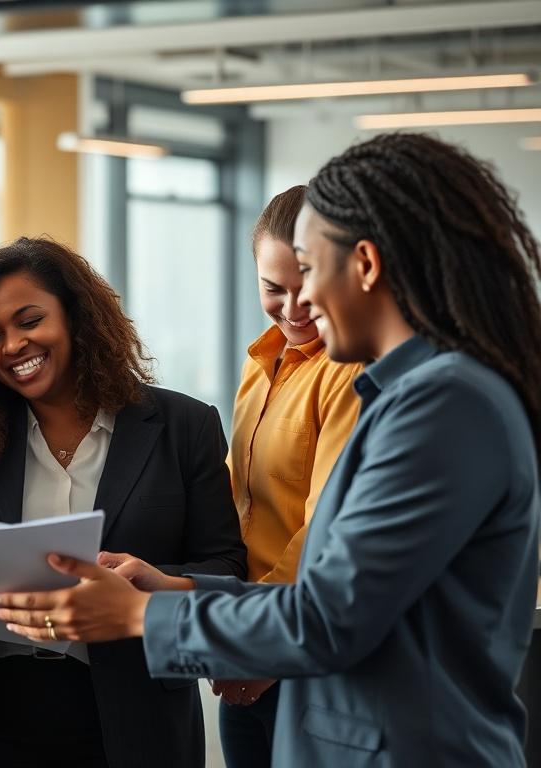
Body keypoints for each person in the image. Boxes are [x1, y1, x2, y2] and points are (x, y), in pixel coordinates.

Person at [0, 133, 541, 766]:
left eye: (308, 269)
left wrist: (139, 616)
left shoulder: (442, 404)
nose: (298, 303)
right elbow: (338, 597)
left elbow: (329, 618)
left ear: (363, 264)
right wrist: (173, 592)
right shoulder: (410, 394)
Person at [0, 237, 247, 768]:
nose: (12, 346)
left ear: (76, 316)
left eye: (30, 321)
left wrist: (150, 584)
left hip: (139, 714)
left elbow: (227, 565)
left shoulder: (183, 426)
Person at [210, 185, 361, 767]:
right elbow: (234, 495)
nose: (293, 308)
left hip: (300, 646)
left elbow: (329, 527)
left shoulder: (347, 369)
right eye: (274, 289)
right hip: (248, 631)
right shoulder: (262, 365)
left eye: (307, 286)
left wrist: (262, 643)